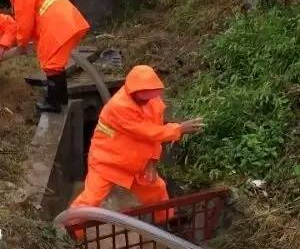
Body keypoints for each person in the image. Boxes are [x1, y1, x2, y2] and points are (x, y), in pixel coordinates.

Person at [70, 65, 204, 223]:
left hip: (136, 164)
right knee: (90, 200)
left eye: (147, 98)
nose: (145, 102)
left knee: (157, 192)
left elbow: (154, 136)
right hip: (107, 162)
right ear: (131, 92)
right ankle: (72, 231)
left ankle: (166, 224)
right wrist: (179, 128)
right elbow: (148, 132)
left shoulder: (154, 102)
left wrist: (152, 161)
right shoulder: (119, 107)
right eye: (141, 99)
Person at [0, 0, 90, 113]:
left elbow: (25, 22)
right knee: (56, 63)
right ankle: (61, 99)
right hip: (68, 21)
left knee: (51, 64)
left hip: (56, 25)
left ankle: (53, 103)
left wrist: (22, 44)